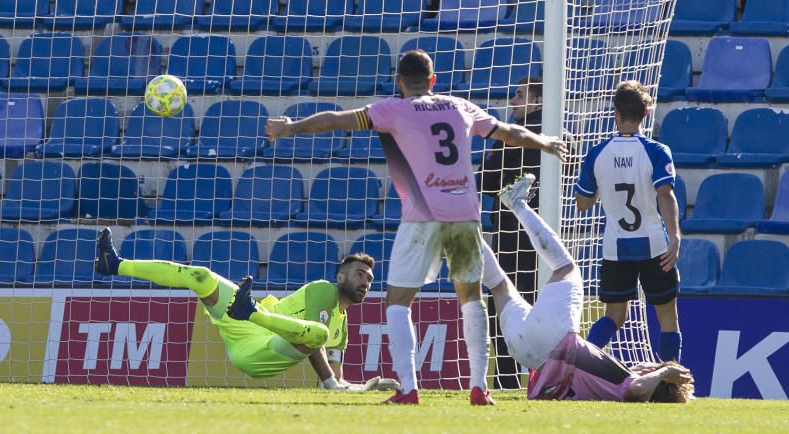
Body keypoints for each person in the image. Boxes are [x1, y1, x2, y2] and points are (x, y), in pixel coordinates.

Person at [265, 50, 567, 405]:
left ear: (399, 82)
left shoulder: (392, 109)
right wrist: (545, 142)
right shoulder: (459, 106)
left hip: (422, 218)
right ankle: (479, 388)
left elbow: (335, 120)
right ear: (433, 80)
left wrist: (291, 128)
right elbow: (509, 132)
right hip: (463, 215)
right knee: (471, 299)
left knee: (398, 301)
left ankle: (408, 388)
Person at [94, 229, 399, 391]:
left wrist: (365, 387)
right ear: (341, 276)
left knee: (317, 333)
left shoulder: (340, 328)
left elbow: (333, 381)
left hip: (259, 351)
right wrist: (336, 385)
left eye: (370, 279)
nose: (366, 282)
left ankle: (250, 309)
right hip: (247, 323)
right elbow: (331, 382)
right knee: (201, 276)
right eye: (360, 274)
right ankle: (116, 264)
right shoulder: (324, 289)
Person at [487, 174, 694, 402]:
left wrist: (664, 371)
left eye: (654, 366)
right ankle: (459, 229)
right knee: (498, 285)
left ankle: (517, 203)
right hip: (524, 353)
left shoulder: (628, 385)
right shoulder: (609, 382)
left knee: (566, 268)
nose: (650, 363)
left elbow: (637, 389)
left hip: (553, 341)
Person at [574, 81, 683, 362]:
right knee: (667, 315)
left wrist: (602, 183)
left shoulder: (597, 153)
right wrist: (675, 237)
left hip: (615, 247)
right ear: (645, 113)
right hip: (654, 245)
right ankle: (672, 381)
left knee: (614, 316)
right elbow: (665, 196)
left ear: (615, 113)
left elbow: (583, 204)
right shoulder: (658, 151)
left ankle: (581, 370)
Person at [478, 76, 544, 389]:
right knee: (540, 308)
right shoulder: (560, 136)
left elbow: (484, 183)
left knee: (504, 306)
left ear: (539, 100)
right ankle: (544, 377)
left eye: (519, 95)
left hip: (510, 236)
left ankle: (506, 379)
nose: (513, 101)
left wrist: (508, 184)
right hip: (547, 240)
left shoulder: (509, 138)